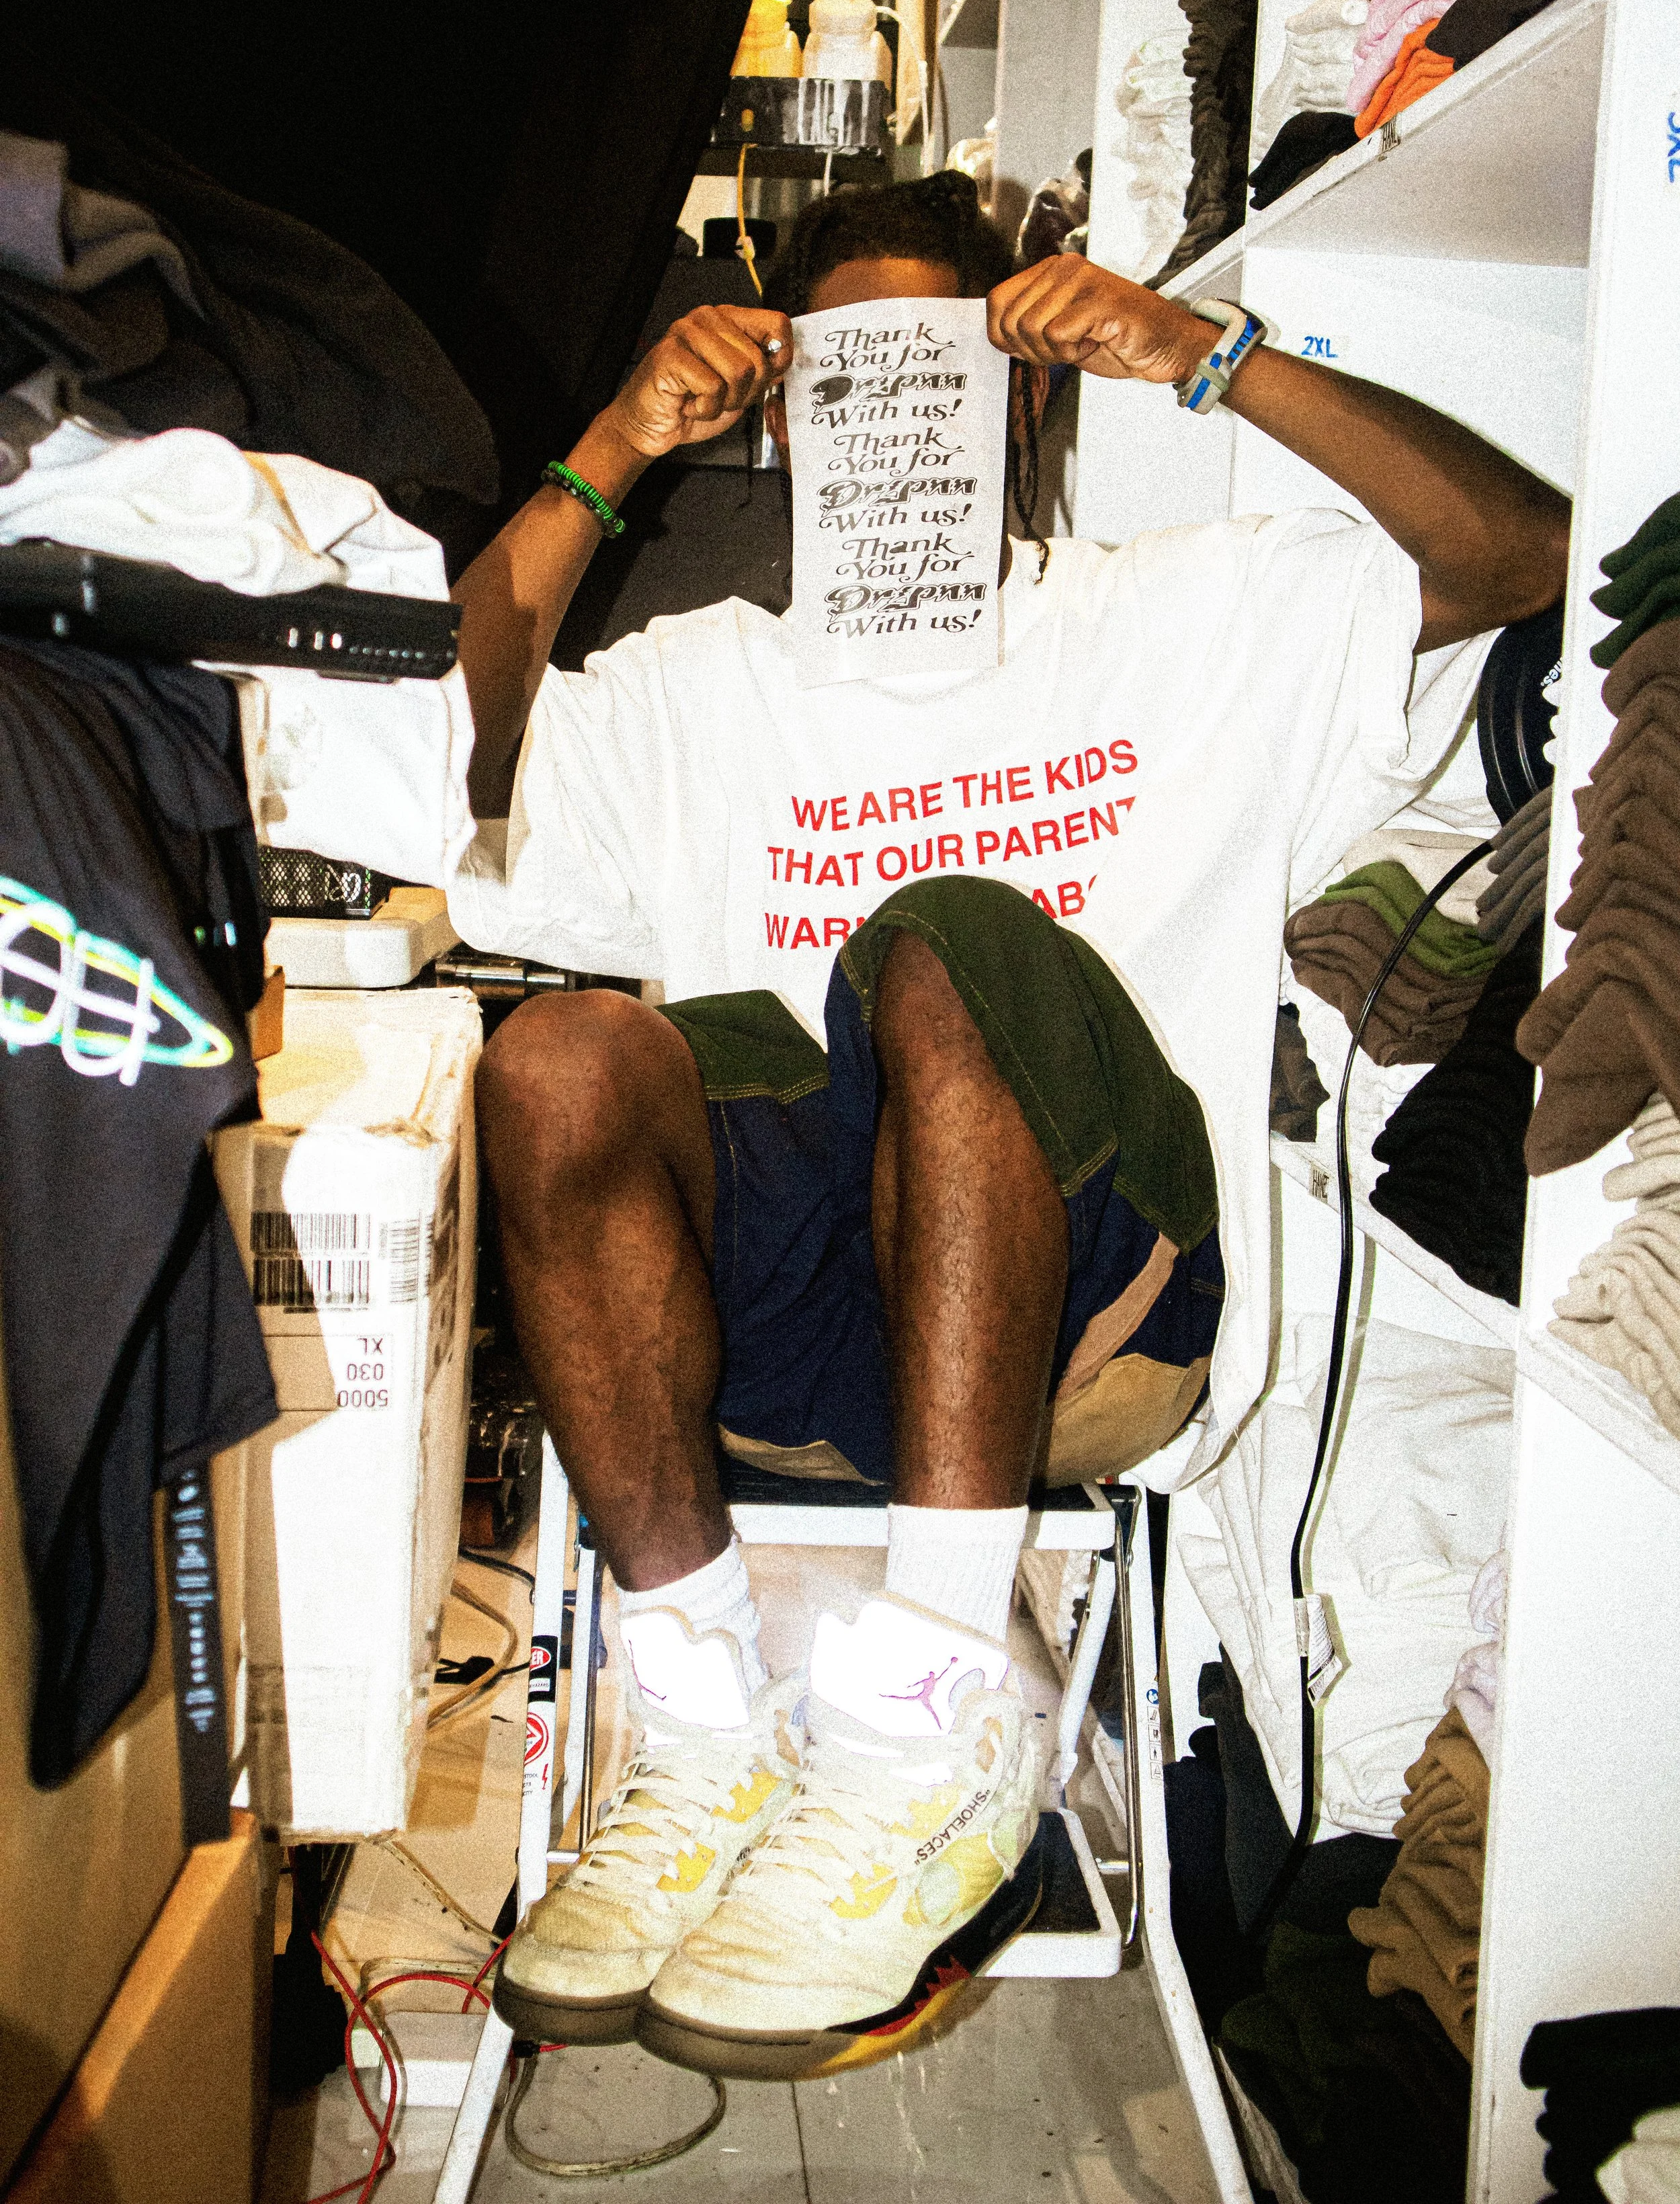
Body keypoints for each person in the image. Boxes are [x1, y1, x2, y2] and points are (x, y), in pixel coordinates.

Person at [445, 173, 1567, 2080]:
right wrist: (616, 443)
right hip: (787, 1331)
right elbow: (432, 755)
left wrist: (1205, 354)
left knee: (947, 939)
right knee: (556, 1055)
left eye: (943, 361)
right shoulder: (699, 689)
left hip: (1099, 1303)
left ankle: (938, 1706)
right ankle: (704, 1715)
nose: (895, 407)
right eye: (848, 371)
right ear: (787, 415)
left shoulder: (1191, 616)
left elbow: (1524, 556)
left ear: (1021, 395)